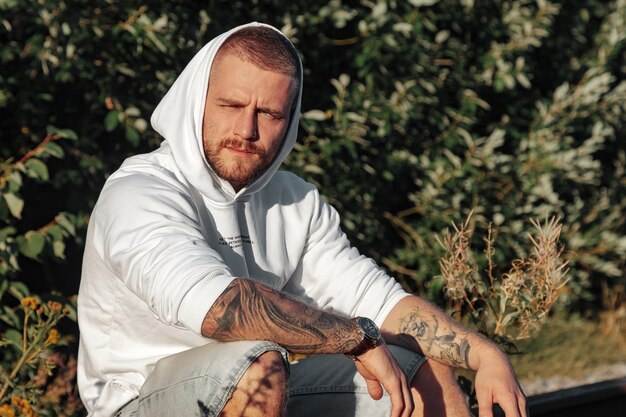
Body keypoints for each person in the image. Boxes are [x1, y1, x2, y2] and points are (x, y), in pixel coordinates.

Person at [77, 22, 527, 417]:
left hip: (258, 388)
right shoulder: (139, 193)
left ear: (289, 120)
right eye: (231, 105)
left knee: (422, 369)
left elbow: (376, 300)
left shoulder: (293, 200)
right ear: (195, 101)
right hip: (139, 401)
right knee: (260, 365)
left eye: (269, 113)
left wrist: (484, 354)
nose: (247, 129)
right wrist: (354, 339)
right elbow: (218, 307)